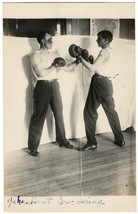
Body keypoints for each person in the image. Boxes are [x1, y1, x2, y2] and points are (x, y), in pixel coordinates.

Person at [28, 31, 78, 156]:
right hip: (42, 86)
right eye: (49, 40)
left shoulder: (55, 54)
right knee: (39, 116)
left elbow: (67, 68)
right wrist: (54, 64)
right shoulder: (34, 55)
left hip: (55, 85)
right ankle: (33, 148)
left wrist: (78, 61)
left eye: (52, 40)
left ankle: (62, 140)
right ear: (42, 41)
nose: (52, 42)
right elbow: (42, 73)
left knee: (59, 113)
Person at [78, 30, 125, 151]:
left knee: (89, 112)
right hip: (108, 84)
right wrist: (88, 59)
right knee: (111, 112)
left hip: (99, 82)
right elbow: (102, 66)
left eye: (99, 39)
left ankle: (91, 142)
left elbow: (93, 69)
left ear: (106, 40)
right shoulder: (113, 52)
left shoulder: (104, 51)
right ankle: (120, 139)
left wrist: (80, 59)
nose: (97, 41)